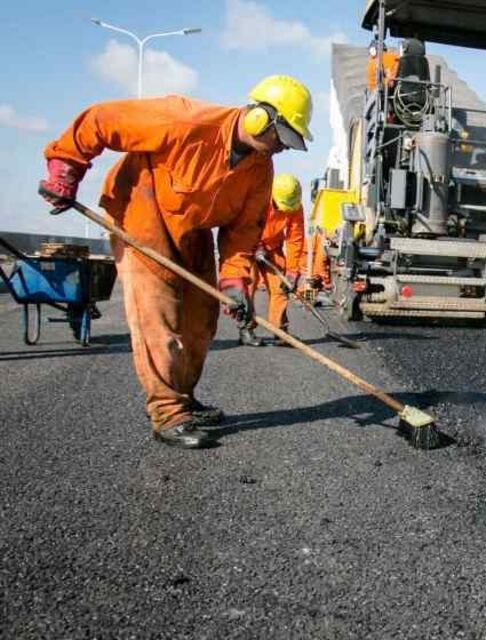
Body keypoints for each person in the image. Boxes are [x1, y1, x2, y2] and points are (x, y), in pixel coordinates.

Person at [39, 75, 314, 449]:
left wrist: (235, 283)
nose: (282, 148)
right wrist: (66, 168)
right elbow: (101, 120)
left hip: (192, 229)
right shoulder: (184, 120)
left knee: (202, 320)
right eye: (281, 137)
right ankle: (167, 412)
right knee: (158, 317)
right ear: (258, 118)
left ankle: (183, 395)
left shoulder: (261, 169)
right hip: (142, 215)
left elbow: (243, 232)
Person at [240, 173, 306, 347]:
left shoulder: (295, 206)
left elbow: (295, 239)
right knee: (249, 286)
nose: (285, 211)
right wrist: (256, 245)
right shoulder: (258, 198)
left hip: (273, 248)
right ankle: (246, 329)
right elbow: (245, 225)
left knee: (281, 288)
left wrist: (292, 271)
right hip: (250, 246)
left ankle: (280, 331)